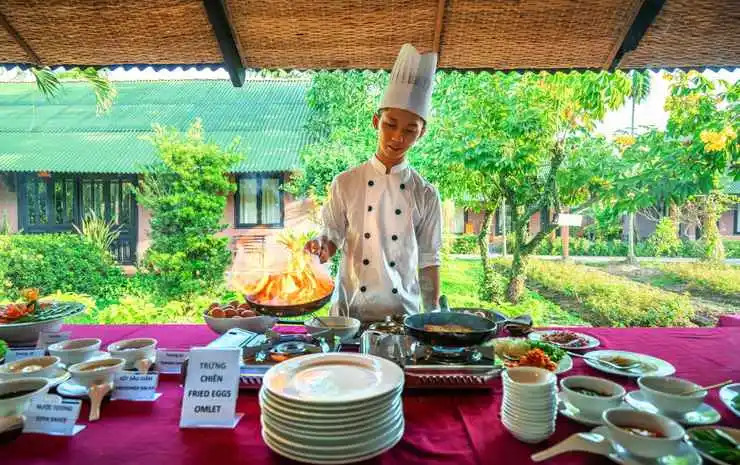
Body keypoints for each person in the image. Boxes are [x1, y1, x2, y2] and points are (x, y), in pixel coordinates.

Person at [305, 43, 442, 322]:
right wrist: (321, 246)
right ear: (376, 121)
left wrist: (433, 316)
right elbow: (332, 236)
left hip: (403, 318)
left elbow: (429, 260)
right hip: (350, 315)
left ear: (422, 133)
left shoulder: (426, 194)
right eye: (390, 124)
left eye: (410, 130)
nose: (398, 137)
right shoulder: (345, 183)